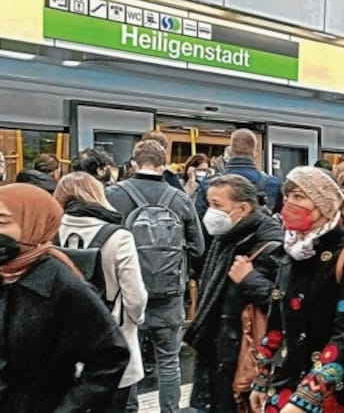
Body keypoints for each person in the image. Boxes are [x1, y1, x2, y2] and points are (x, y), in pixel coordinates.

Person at [249, 166, 344, 412]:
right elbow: (276, 323)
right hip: (289, 381)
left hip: (341, 392)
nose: (289, 204)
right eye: (287, 197)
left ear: (324, 204)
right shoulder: (291, 252)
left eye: (299, 197)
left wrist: (308, 395)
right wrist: (261, 377)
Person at [0, 183, 130, 412]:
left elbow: (110, 355)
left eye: (2, 222)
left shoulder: (64, 286)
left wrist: (70, 408)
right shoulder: (5, 274)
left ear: (34, 223)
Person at [106, 140, 205, 413]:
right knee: (169, 360)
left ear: (134, 163)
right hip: (169, 292)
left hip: (126, 294)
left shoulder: (114, 195)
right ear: (164, 164)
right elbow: (198, 248)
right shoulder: (180, 198)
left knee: (129, 357)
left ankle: (130, 408)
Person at [185, 174, 283, 412]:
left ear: (243, 208)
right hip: (219, 349)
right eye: (209, 204)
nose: (211, 212)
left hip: (241, 353)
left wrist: (250, 280)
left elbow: (282, 301)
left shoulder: (269, 243)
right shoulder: (226, 237)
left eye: (217, 205)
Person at [53, 172, 149, 412]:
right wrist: (135, 322)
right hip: (112, 339)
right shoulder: (118, 237)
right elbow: (135, 296)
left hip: (62, 345)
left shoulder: (50, 231)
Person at [196, 129, 283, 220]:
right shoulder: (274, 184)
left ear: (229, 152)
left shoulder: (209, 184)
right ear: (254, 153)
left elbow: (199, 223)